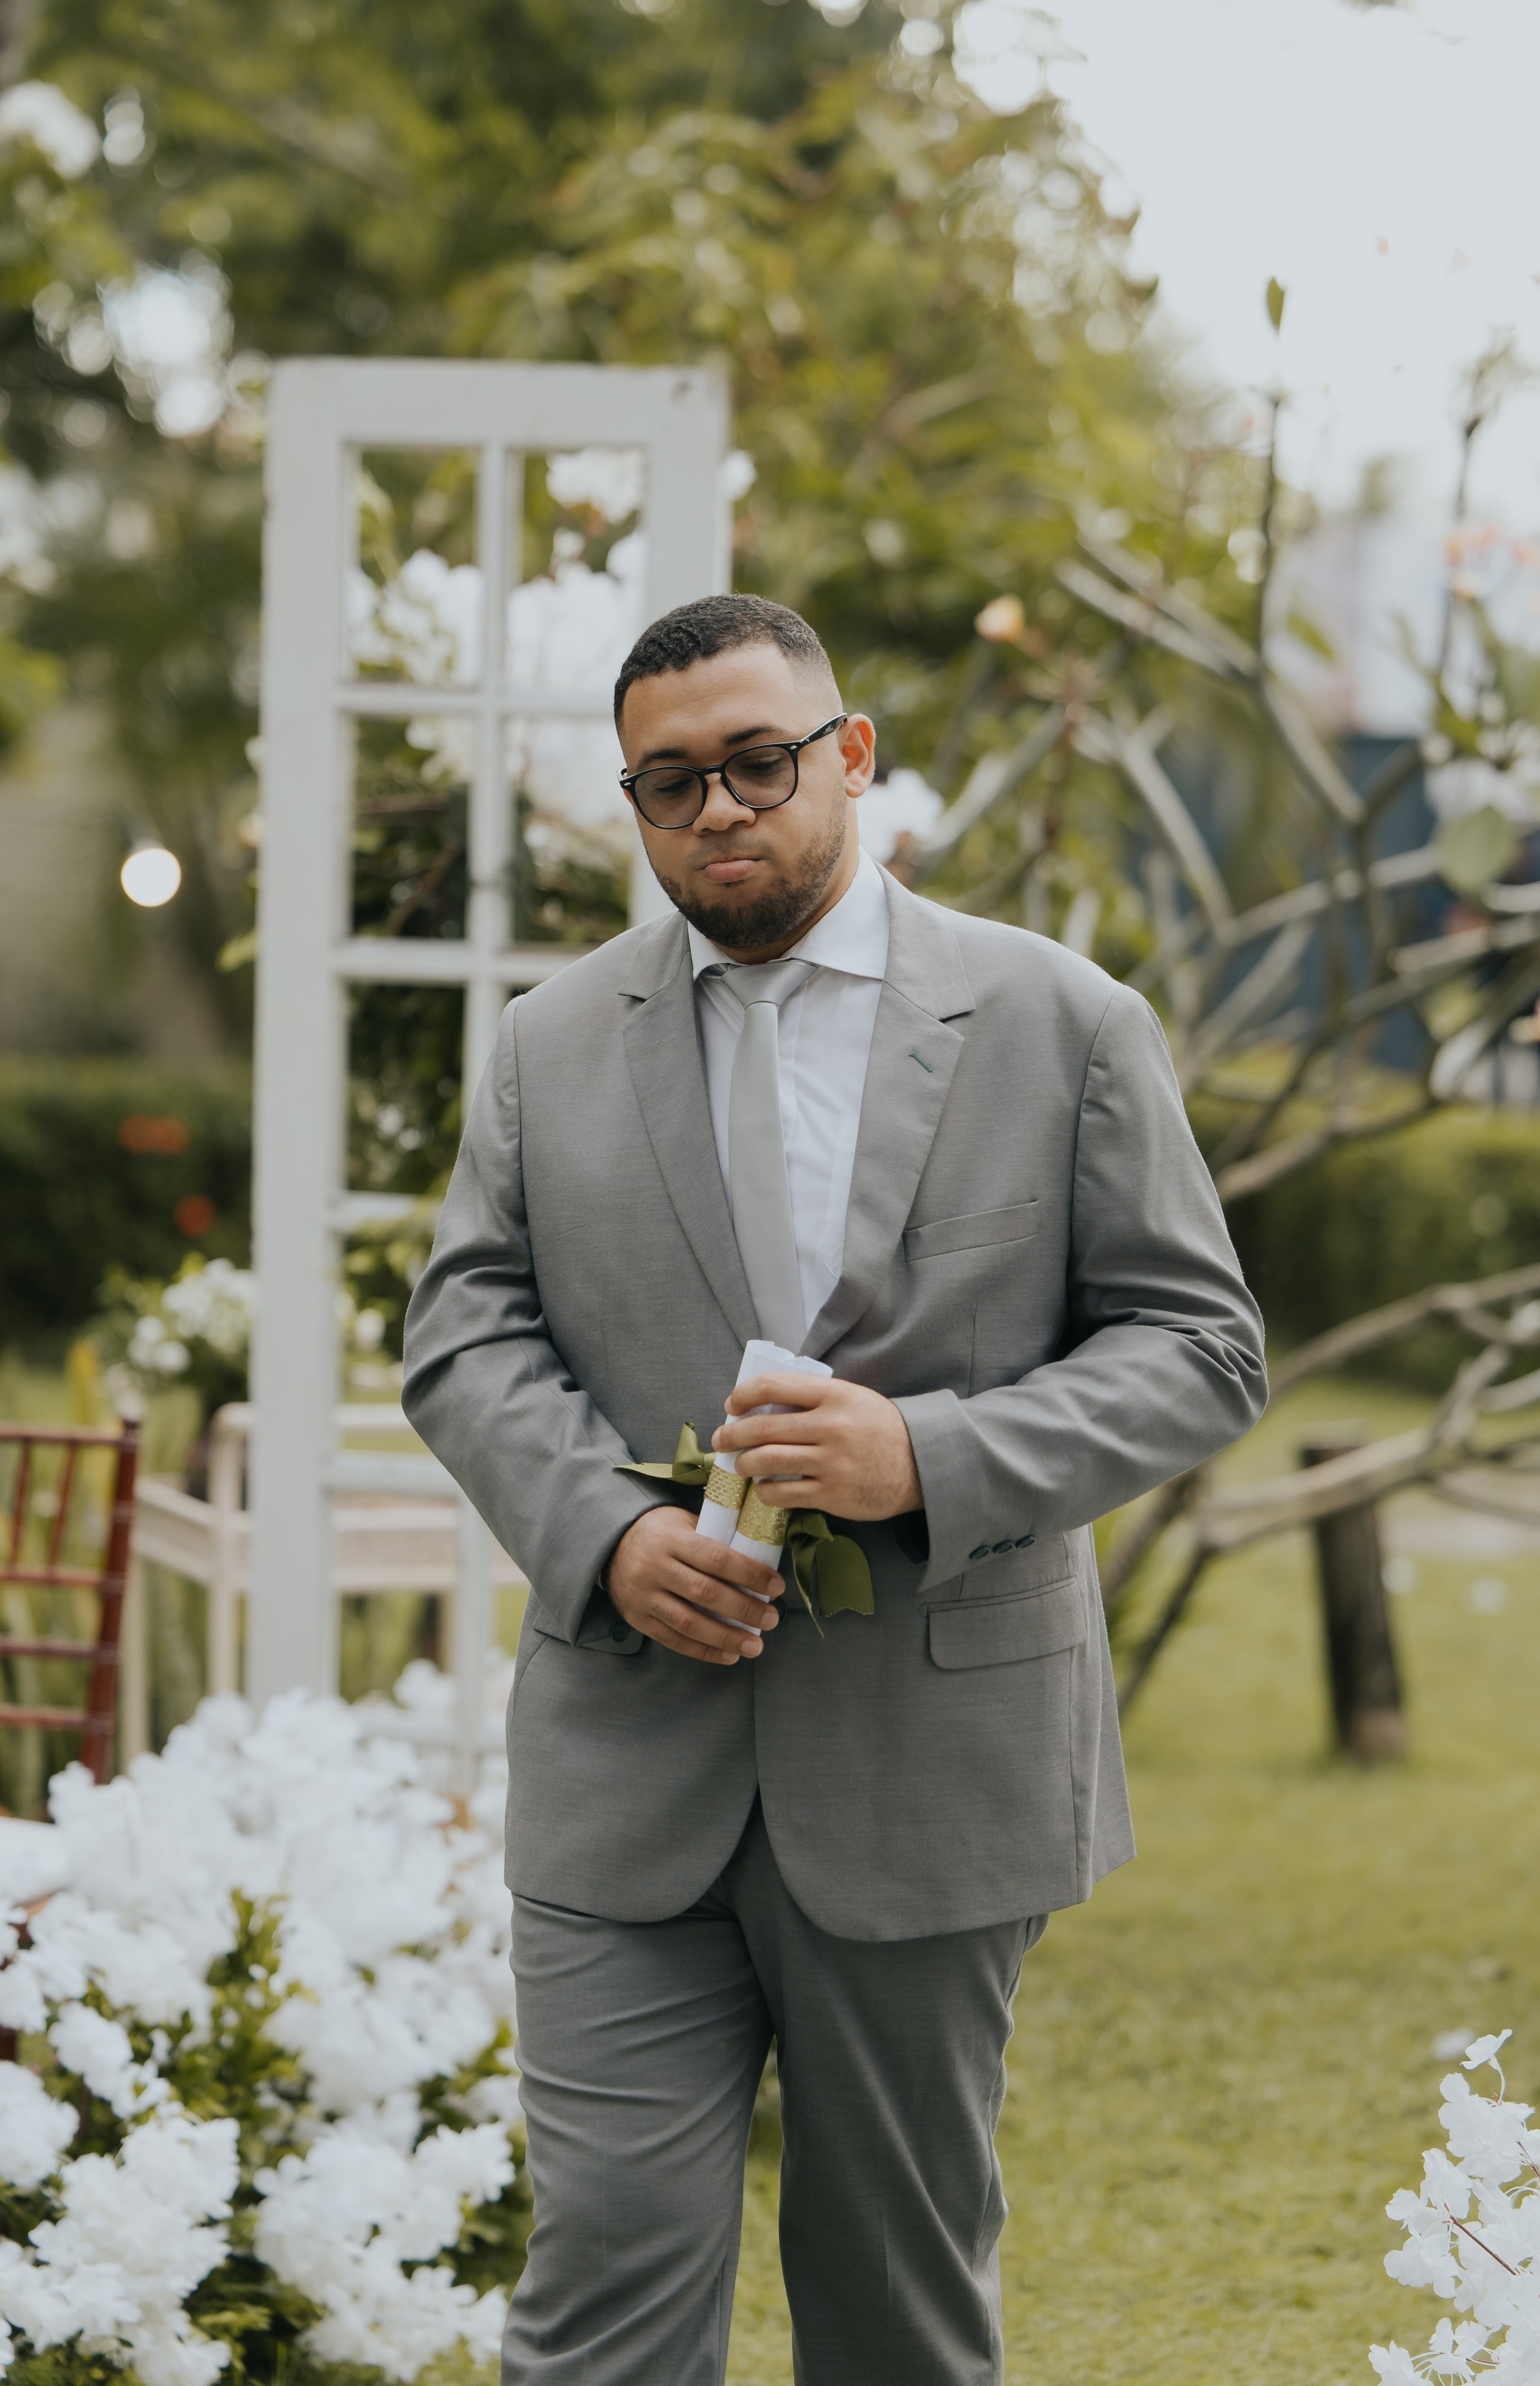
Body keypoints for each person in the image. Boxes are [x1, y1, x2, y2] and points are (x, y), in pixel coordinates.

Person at [403, 592, 1265, 2386]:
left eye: (758, 762)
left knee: (892, 2308)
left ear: (849, 757)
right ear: (631, 810)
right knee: (601, 2300)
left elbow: (1198, 1347)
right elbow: (462, 1336)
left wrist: (927, 1459)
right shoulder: (545, 1044)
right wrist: (609, 1530)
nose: (720, 810)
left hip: (932, 1768)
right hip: (626, 1764)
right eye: (669, 783)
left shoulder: (1064, 1021)